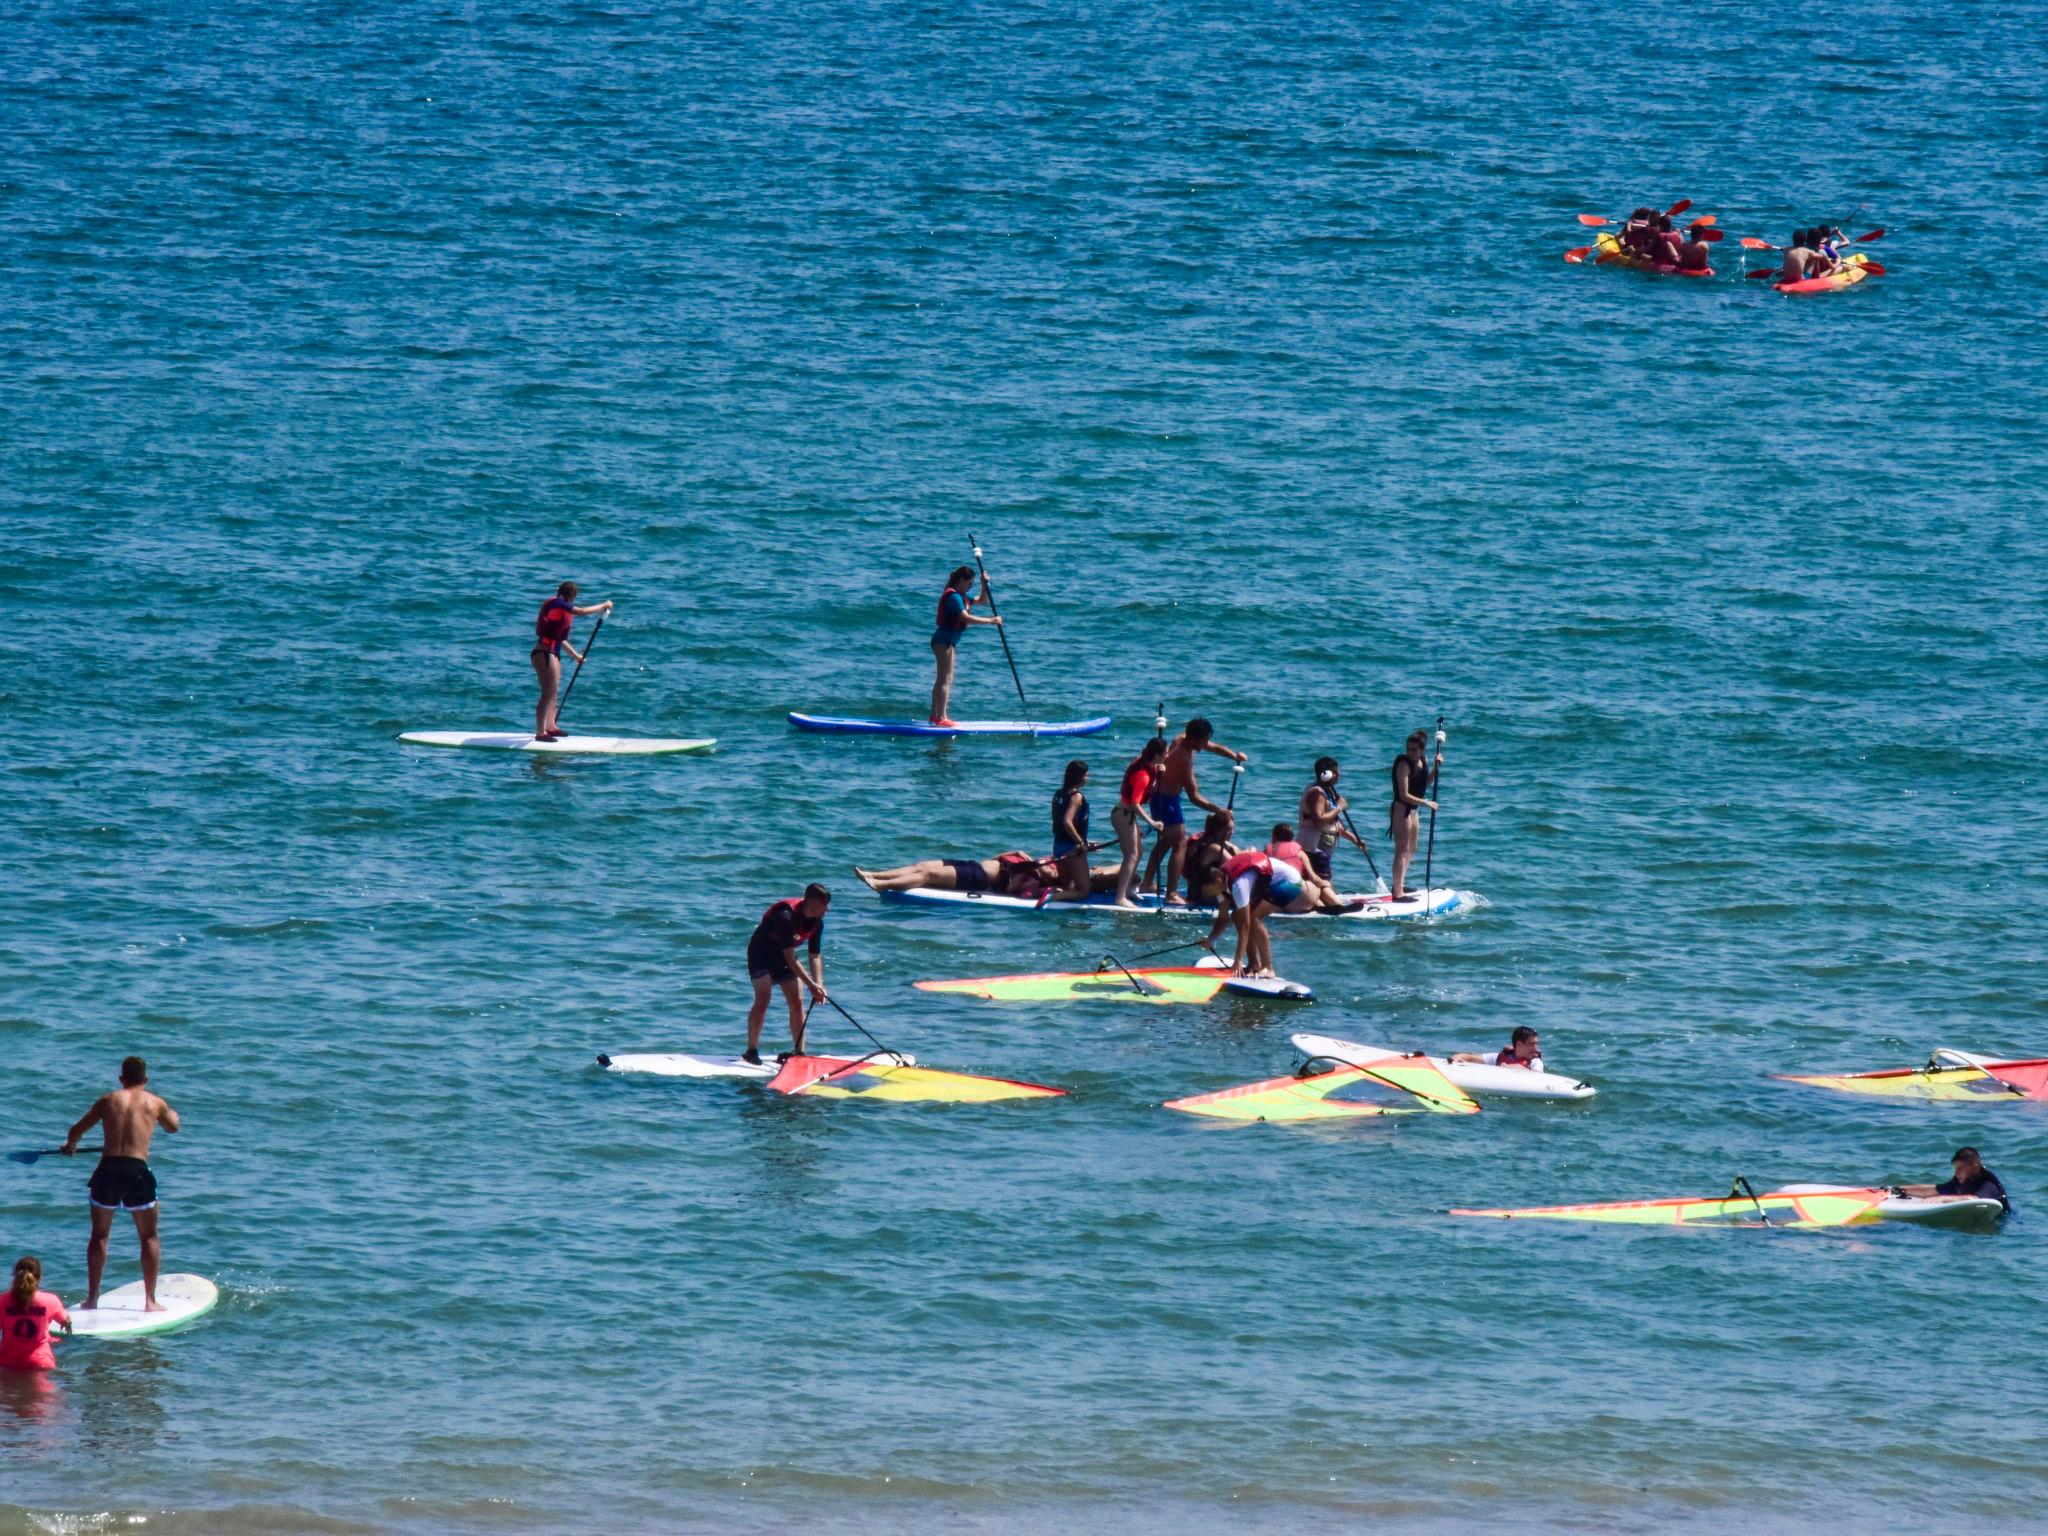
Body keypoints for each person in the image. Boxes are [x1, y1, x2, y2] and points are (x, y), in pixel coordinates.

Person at [60, 1057, 179, 1312]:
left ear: (121, 1078)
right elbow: (172, 1127)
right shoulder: (155, 1102)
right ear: (145, 1080)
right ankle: (150, 1300)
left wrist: (71, 1146)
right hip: (136, 1170)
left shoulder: (108, 1100)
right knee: (148, 1236)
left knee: (99, 1236)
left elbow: (77, 1129)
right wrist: (172, 1114)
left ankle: (92, 1299)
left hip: (108, 1169)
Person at [1140, 719, 1248, 904]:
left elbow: (1212, 747)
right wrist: (1218, 810)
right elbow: (1194, 796)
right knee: (1180, 843)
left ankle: (1147, 883)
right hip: (1167, 802)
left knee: (1165, 842)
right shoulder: (1184, 759)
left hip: (1158, 797)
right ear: (1194, 739)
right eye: (1204, 741)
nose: (1206, 744)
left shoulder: (1182, 738)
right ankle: (1172, 894)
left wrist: (1234, 756)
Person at [744, 885, 830, 1064]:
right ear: (812, 902)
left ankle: (799, 1052)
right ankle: (751, 1050)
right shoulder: (785, 917)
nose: (827, 909)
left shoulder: (817, 923)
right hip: (761, 954)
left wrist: (818, 983)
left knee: (797, 1002)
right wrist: (811, 985)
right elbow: (791, 959)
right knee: (763, 998)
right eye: (824, 904)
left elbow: (814, 955)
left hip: (784, 956)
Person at [531, 582, 613, 741]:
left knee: (553, 691)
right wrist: (603, 605)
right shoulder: (558, 604)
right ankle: (540, 733)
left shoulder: (558, 607)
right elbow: (581, 611)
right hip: (544, 653)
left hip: (551, 652)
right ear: (573, 596)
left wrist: (576, 656)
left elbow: (560, 640)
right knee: (547, 692)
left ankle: (551, 727)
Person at [1206, 847, 1303, 977]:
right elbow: (1223, 919)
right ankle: (1253, 964)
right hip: (1270, 882)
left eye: (1208, 890)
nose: (1207, 895)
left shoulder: (1238, 885)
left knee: (1253, 918)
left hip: (1290, 882)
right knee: (1236, 916)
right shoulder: (1220, 885)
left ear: (1217, 881)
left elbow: (1245, 926)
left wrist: (1238, 960)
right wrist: (1210, 939)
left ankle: (1268, 968)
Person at [929, 564, 1002, 727]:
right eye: (969, 584)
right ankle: (941, 717)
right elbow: (965, 618)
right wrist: (991, 620)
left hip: (948, 641)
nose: (970, 587)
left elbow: (983, 601)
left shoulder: (962, 596)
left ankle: (935, 716)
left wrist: (985, 585)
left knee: (944, 677)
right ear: (961, 580)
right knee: (945, 679)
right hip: (943, 640)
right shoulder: (954, 597)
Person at [1111, 738, 1169, 908]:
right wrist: (1152, 822)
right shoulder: (1142, 775)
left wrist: (1159, 771)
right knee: (1131, 855)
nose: (1168, 755)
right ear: (1158, 754)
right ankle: (1120, 896)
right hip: (1123, 815)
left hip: (1128, 816)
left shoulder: (1144, 763)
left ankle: (1128, 890)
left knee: (1139, 853)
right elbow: (1135, 804)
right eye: (1165, 752)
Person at [1297, 758, 1370, 888]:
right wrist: (1339, 807)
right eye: (1336, 772)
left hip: (1322, 848)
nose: (1339, 774)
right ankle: (1329, 905)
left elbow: (1335, 824)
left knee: (1321, 881)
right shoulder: (1317, 793)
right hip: (1315, 848)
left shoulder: (1327, 791)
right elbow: (1318, 820)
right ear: (1326, 774)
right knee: (1323, 882)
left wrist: (1356, 840)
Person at [1389, 730, 1440, 901]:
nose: (1410, 752)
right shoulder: (1403, 764)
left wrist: (1436, 767)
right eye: (1408, 749)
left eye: (1414, 750)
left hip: (1413, 810)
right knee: (1401, 850)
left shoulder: (1423, 761)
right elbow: (1403, 794)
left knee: (1412, 848)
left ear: (1423, 750)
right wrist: (1426, 803)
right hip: (1401, 809)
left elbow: (1425, 783)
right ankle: (1397, 893)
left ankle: (1399, 883)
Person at [0, 1257, 70, 1374]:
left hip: (7, 1361)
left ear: (15, 1276)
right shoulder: (50, 1300)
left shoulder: (2, 1301)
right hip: (40, 1362)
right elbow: (65, 1321)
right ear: (39, 1277)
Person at [1902, 1147, 2012, 1213]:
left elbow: (1975, 1199)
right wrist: (1898, 1189)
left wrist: (1944, 1199)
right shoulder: (1961, 1181)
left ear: (1975, 1167)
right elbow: (1933, 1190)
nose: (1956, 1173)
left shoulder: (1988, 1183)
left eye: (1960, 1169)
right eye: (1955, 1169)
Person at [1049, 760, 1092, 901]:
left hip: (1058, 845)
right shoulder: (1076, 796)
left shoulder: (1058, 795)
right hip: (1072, 848)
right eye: (1086, 775)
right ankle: (1051, 898)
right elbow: (1067, 822)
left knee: (1069, 888)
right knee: (1083, 891)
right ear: (1078, 777)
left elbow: (1059, 823)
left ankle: (1061, 914)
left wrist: (1087, 841)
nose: (1087, 778)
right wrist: (1081, 842)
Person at [1181, 810, 1237, 905]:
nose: (1232, 832)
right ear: (1218, 830)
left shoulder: (1202, 840)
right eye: (1228, 830)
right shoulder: (1215, 848)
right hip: (1206, 897)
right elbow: (1237, 867)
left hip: (1193, 892)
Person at [1453, 1028, 1543, 1070]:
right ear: (1519, 1044)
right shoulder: (1499, 1057)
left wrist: (1517, 1068)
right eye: (1532, 1044)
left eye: (1536, 1044)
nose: (1536, 1048)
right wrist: (1456, 1058)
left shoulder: (1535, 1062)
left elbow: (1538, 1077)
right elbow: (1471, 1058)